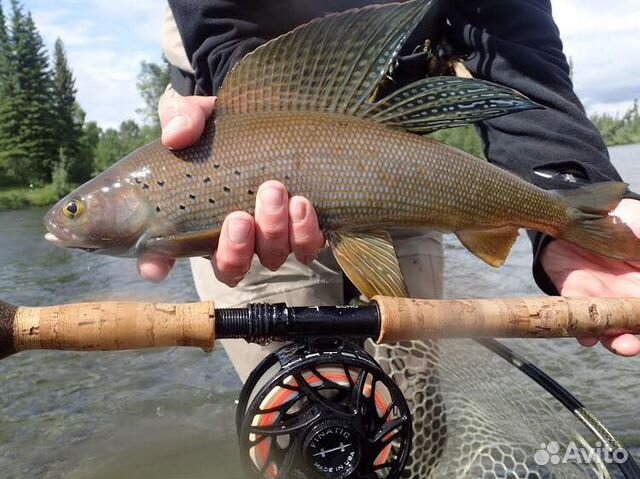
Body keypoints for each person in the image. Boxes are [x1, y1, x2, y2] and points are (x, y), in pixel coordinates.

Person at [141, 0, 640, 374]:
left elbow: (509, 37)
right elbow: (219, 23)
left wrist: (567, 177)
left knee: (412, 396)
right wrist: (255, 123)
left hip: (395, 153)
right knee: (305, 416)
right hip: (225, 157)